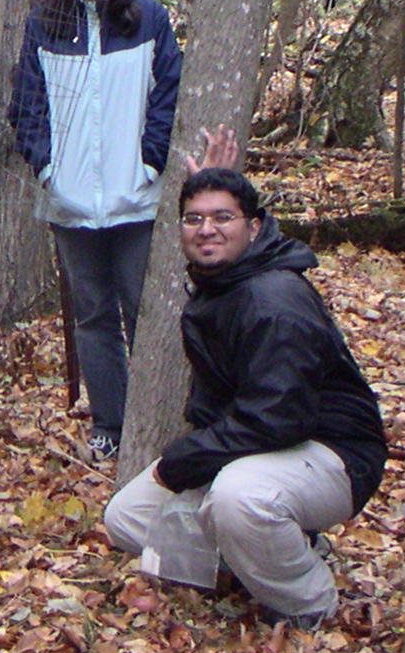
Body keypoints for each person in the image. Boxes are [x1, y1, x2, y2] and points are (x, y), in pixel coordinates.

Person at [104, 164, 385, 627]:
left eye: (223, 218)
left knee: (239, 499)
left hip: (332, 454)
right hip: (258, 448)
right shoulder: (222, 284)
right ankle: (273, 550)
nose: (206, 229)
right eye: (193, 219)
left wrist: (187, 459)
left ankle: (310, 604)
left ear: (253, 228)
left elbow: (280, 418)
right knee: (127, 518)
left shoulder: (274, 299)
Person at [9, 0, 182, 461]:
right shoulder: (45, 24)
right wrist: (48, 172)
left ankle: (153, 424)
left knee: (142, 309)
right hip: (70, 203)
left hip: (137, 200)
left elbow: (169, 95)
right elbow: (27, 106)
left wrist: (151, 163)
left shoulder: (148, 20)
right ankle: (110, 424)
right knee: (93, 316)